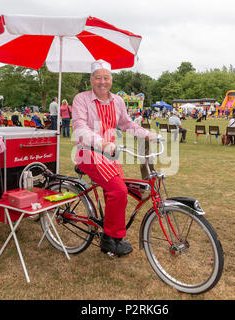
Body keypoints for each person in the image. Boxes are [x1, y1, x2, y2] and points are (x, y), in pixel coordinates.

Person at [72, 59, 157, 257]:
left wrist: (146, 133)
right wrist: (101, 143)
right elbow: (80, 127)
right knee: (118, 190)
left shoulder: (117, 101)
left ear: (112, 79)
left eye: (106, 77)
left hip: (110, 154)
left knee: (117, 190)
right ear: (91, 80)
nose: (103, 82)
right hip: (88, 152)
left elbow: (127, 124)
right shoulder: (81, 99)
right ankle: (111, 239)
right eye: (98, 78)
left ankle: (109, 231)